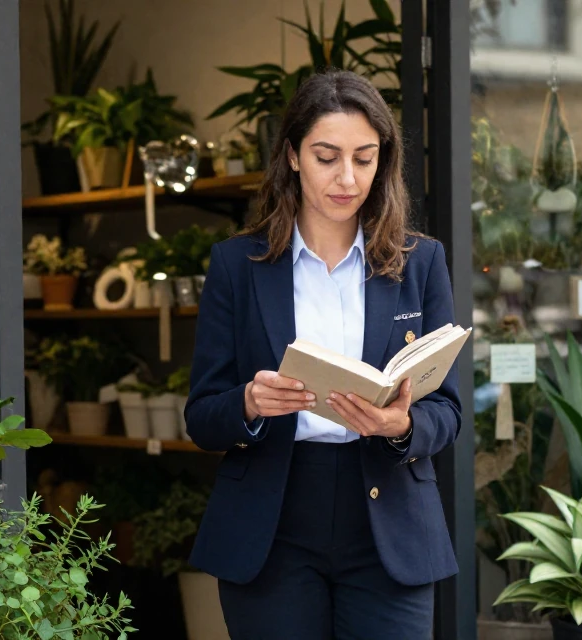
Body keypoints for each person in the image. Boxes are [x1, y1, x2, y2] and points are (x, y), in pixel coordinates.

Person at [183, 69, 462, 640]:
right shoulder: (238, 266)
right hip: (273, 521)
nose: (347, 178)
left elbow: (450, 413)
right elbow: (202, 417)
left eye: (365, 158)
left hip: (389, 520)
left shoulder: (422, 262)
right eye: (327, 156)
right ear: (291, 155)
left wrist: (401, 422)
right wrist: (252, 402)